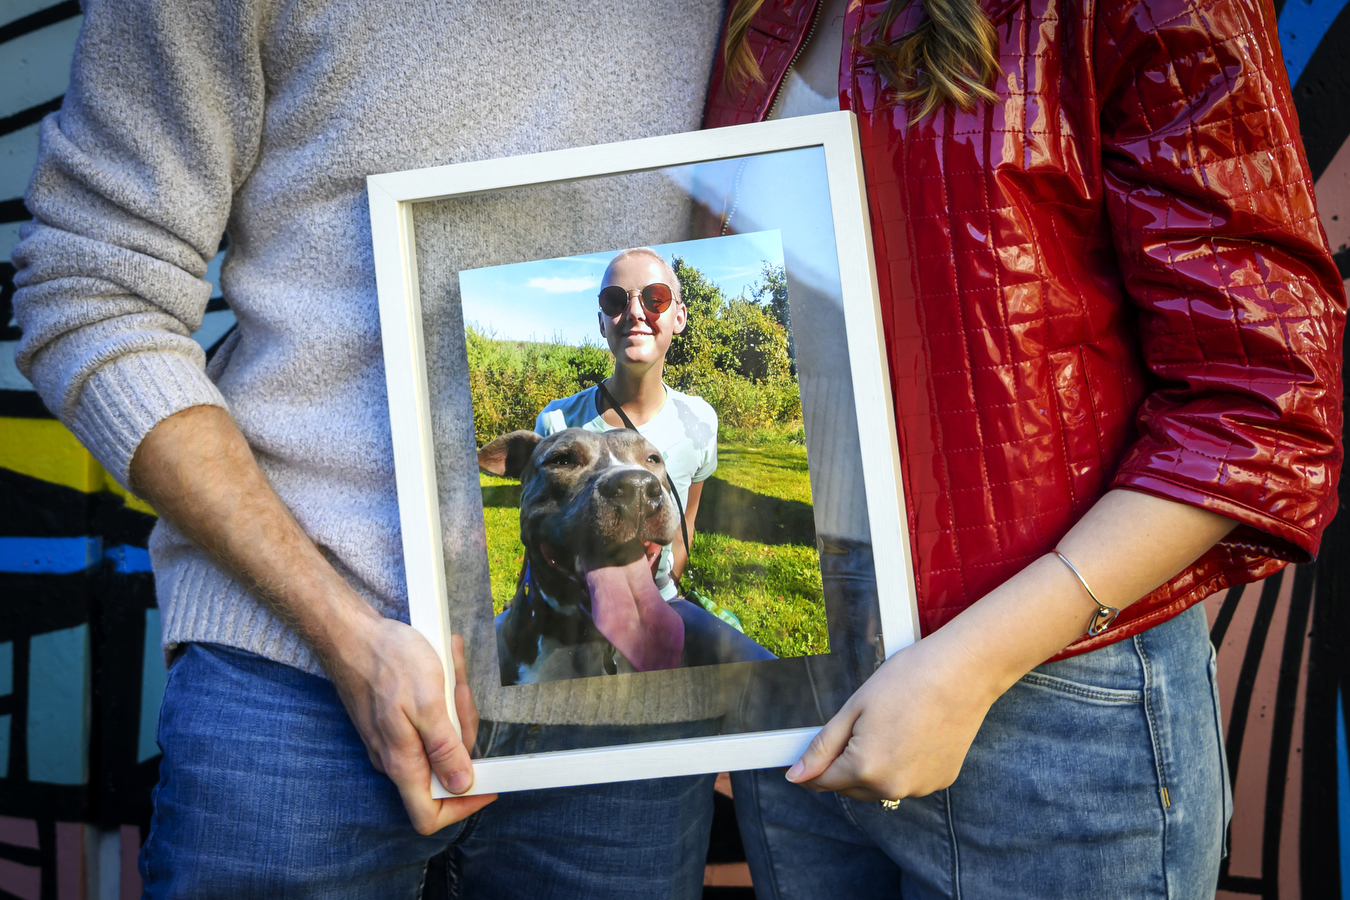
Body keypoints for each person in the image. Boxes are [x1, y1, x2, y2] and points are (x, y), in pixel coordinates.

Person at [12, 0, 727, 896]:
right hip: (292, 673)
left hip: (624, 716)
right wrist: (342, 632)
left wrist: (759, 699)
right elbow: (92, 283)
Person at [701, 0, 1345, 897]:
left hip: (1047, 691)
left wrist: (973, 665)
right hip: (798, 658)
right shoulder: (746, 12)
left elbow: (1258, 395)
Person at [535, 247, 719, 599]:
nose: (635, 312)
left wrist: (665, 596)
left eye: (655, 298)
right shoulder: (557, 423)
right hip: (578, 613)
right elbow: (543, 532)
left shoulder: (700, 422)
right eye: (615, 300)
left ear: (679, 317)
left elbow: (684, 527)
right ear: (602, 322)